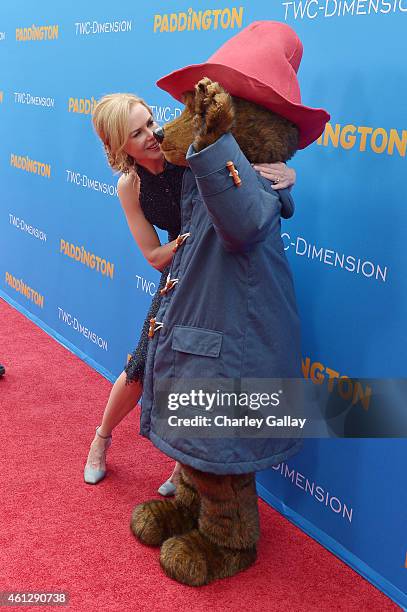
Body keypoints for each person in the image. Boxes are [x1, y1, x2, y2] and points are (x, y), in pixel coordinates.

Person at [84, 92, 296, 492]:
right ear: (118, 145)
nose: (152, 134)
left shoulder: (184, 154)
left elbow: (243, 165)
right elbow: (152, 254)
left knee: (197, 374)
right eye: (138, 132)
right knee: (140, 368)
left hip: (217, 275)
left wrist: (288, 173)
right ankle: (102, 437)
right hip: (179, 272)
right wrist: (187, 242)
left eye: (150, 122)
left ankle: (183, 467)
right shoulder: (129, 186)